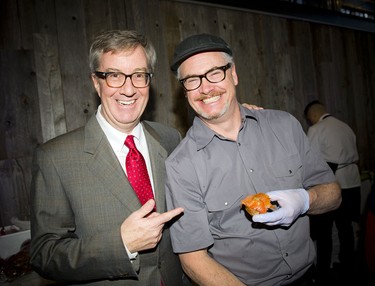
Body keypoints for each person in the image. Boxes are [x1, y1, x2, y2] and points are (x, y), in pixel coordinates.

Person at [165, 33, 342, 286]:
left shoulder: (284, 126)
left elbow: (334, 193)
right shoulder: (181, 165)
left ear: (233, 74)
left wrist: (304, 200)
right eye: (192, 80)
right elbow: (193, 259)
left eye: (215, 72)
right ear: (184, 91)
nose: (205, 88)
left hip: (310, 277)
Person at [29, 30, 187, 285]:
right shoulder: (55, 157)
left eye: (138, 75)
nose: (128, 89)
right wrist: (121, 245)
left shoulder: (170, 138)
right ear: (95, 81)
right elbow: (44, 254)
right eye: (114, 75)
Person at [304, 100, 362, 284]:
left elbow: (310, 158)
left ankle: (323, 270)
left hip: (332, 183)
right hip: (352, 180)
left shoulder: (317, 129)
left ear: (312, 116)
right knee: (346, 228)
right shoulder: (345, 126)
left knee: (324, 232)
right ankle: (348, 263)